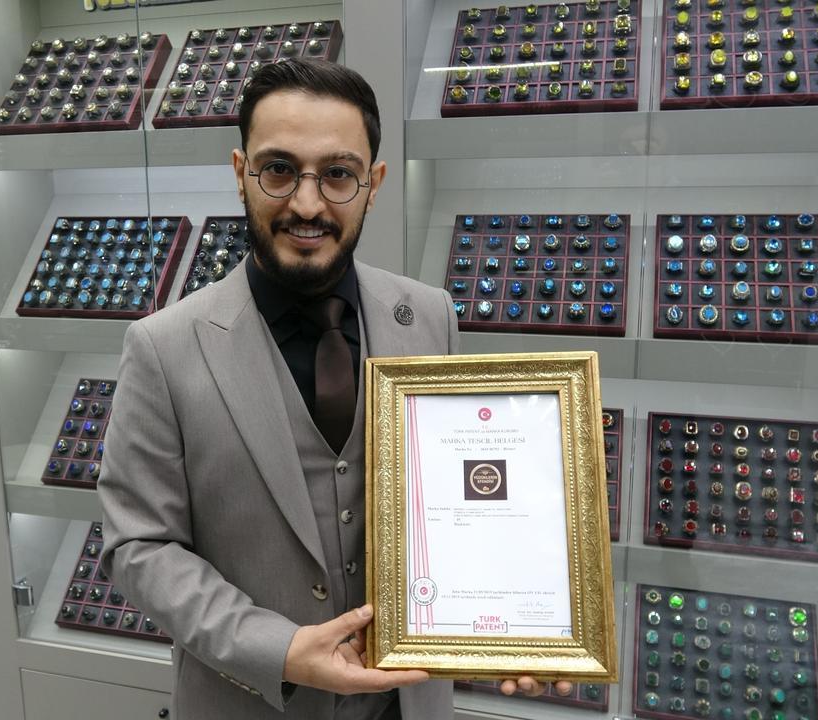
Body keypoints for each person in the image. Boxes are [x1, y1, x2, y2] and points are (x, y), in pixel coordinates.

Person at [99, 58, 559, 719]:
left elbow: (461, 499)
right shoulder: (161, 348)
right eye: (279, 170)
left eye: (338, 174)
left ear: (373, 184)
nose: (307, 204)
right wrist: (279, 649)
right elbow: (138, 546)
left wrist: (519, 626)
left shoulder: (430, 315)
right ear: (241, 173)